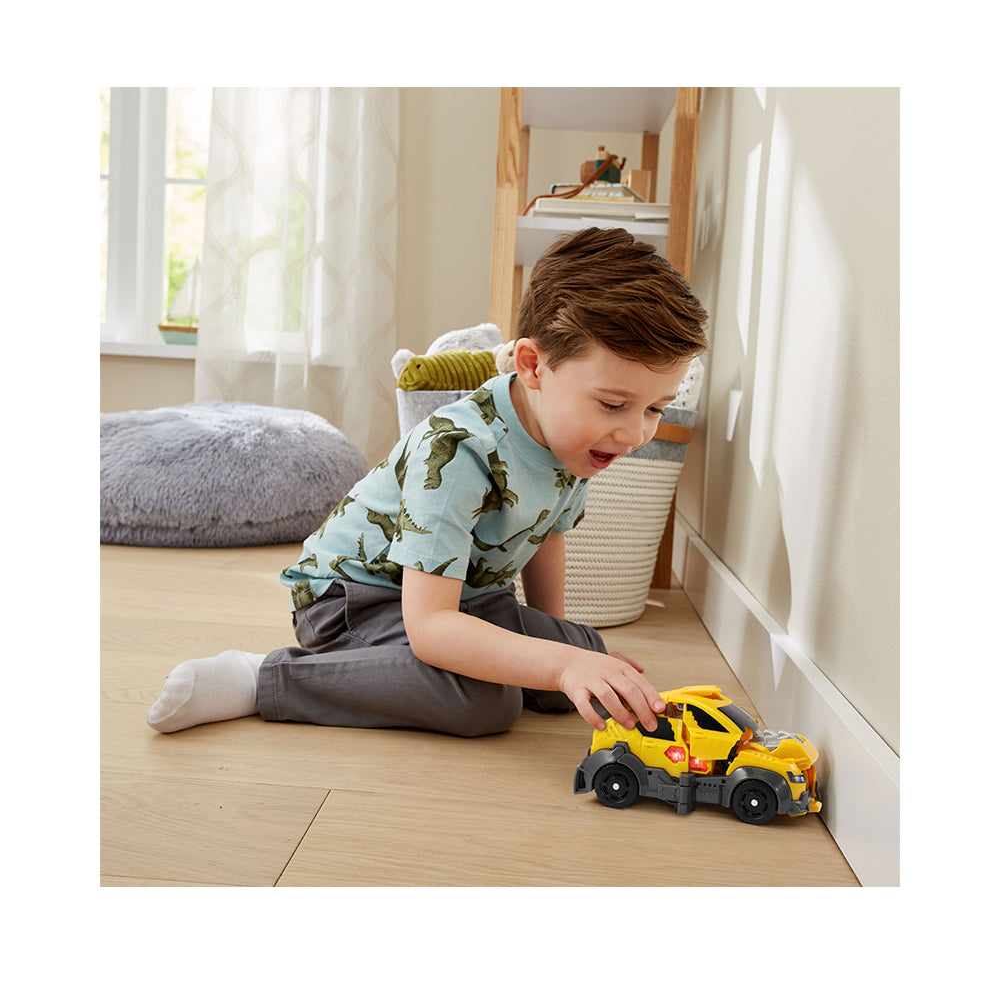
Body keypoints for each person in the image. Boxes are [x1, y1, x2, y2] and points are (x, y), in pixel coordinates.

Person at [147, 227, 709, 739]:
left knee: (582, 647)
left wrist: (558, 643)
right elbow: (432, 627)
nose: (635, 434)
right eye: (613, 404)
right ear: (533, 366)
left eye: (655, 409)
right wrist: (558, 665)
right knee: (482, 701)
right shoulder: (460, 449)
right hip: (356, 599)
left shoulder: (579, 440)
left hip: (463, 596)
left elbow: (547, 534)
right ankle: (262, 679)